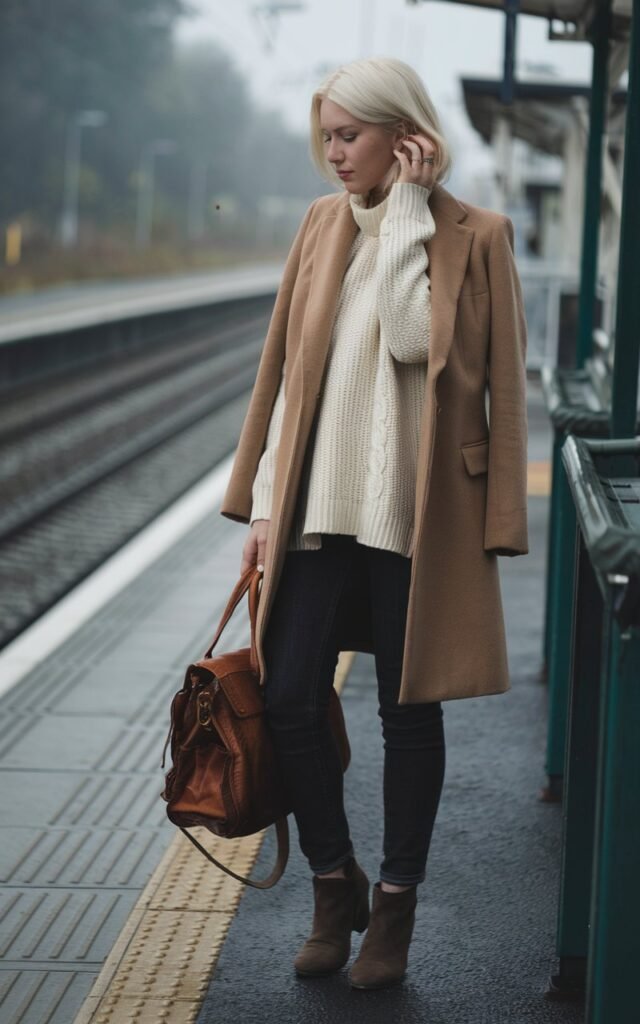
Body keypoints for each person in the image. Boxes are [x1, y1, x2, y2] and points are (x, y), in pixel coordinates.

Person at [220, 55, 529, 991]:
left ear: (407, 135)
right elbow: (285, 382)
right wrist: (268, 506)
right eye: (326, 137)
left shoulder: (474, 236)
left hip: (418, 521)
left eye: (348, 136)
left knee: (408, 712)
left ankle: (393, 909)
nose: (333, 155)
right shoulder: (319, 227)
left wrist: (405, 218)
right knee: (287, 699)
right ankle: (332, 882)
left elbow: (412, 340)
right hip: (318, 512)